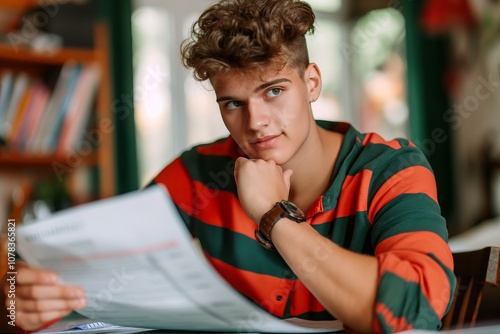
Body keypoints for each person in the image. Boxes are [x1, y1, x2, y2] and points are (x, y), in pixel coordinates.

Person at [2, 0, 456, 332]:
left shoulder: (393, 170)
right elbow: (87, 277)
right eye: (233, 103)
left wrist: (274, 214)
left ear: (311, 83)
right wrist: (15, 300)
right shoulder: (196, 174)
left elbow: (413, 311)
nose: (256, 123)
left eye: (274, 91)